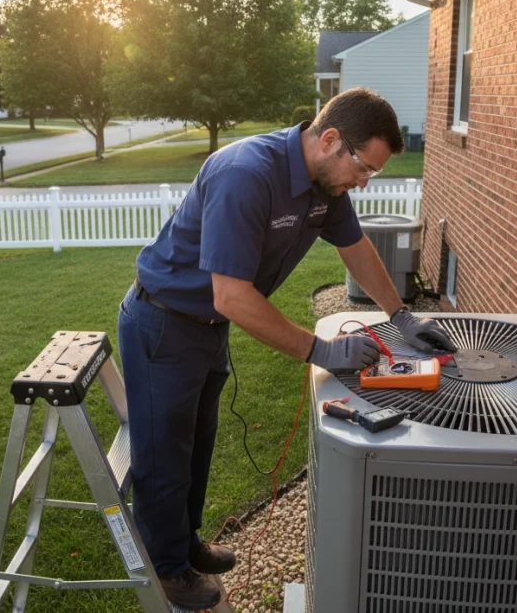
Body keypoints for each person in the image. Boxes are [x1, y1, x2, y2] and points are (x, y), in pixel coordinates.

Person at [117, 88, 456, 610]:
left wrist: (401, 315)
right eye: (364, 168)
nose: (363, 182)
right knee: (164, 451)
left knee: (198, 442)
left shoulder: (326, 184)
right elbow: (232, 296)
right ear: (331, 140)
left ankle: (185, 541)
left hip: (207, 328)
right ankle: (166, 568)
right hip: (163, 323)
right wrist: (322, 351)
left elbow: (356, 247)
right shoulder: (245, 174)